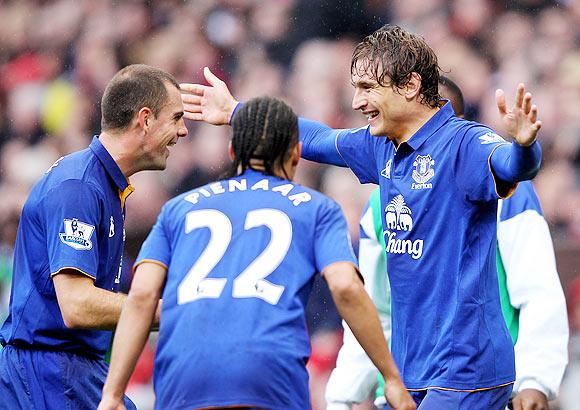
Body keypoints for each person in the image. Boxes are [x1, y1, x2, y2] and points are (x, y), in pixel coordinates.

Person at [180, 24, 544, 409]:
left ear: (410, 85)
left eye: (368, 88)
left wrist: (524, 146)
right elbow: (317, 138)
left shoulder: (465, 143)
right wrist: (238, 112)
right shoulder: (381, 146)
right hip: (410, 368)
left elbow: (510, 165)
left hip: (465, 372)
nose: (356, 101)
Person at [98, 96, 415, 410]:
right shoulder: (317, 209)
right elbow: (346, 287)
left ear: (233, 152)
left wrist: (112, 395)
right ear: (296, 154)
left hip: (184, 374)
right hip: (269, 373)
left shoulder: (178, 209)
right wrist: (390, 377)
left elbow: (140, 297)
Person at [325, 77, 569, 410]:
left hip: (481, 386)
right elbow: (373, 307)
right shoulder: (379, 207)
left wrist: (535, 379)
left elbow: (538, 290)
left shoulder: (506, 193)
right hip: (403, 393)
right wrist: (344, 394)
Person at [0, 64, 188, 410]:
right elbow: (77, 305)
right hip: (47, 374)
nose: (184, 131)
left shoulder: (103, 184)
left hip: (71, 369)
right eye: (176, 117)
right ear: (144, 119)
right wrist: (176, 312)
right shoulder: (80, 187)